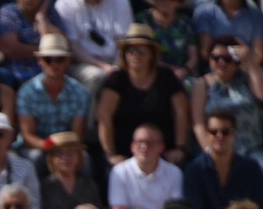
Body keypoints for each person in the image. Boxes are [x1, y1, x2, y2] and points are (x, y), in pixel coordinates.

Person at [96, 23, 186, 167]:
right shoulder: (117, 79)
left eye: (141, 50)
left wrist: (180, 148)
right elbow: (104, 116)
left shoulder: (167, 77)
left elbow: (181, 113)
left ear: (152, 53)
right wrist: (111, 154)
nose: (135, 55)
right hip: (124, 155)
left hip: (164, 154)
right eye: (130, 50)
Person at [181, 109, 263, 209]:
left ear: (235, 135)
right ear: (207, 135)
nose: (219, 136)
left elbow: (260, 207)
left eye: (225, 132)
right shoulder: (194, 170)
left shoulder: (251, 168)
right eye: (214, 132)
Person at [192, 34, 263, 172]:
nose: (221, 62)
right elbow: (198, 123)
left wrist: (251, 62)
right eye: (216, 58)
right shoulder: (203, 84)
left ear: (236, 61)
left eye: (227, 59)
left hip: (252, 149)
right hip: (217, 150)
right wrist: (209, 151)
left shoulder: (248, 78)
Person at [15, 32, 88, 158]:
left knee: (85, 159)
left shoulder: (80, 92)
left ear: (68, 61)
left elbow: (77, 135)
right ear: (40, 61)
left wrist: (63, 151)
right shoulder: (27, 92)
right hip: (38, 147)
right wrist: (49, 147)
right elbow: (28, 135)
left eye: (60, 59)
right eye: (48, 59)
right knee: (36, 157)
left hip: (68, 146)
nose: (54, 64)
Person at [39, 129, 105, 209]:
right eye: (60, 154)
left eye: (71, 153)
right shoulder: (45, 186)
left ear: (79, 157)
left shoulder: (89, 185)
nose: (66, 158)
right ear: (52, 158)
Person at [52, 0, 130, 96]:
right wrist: (103, 67)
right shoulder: (65, 4)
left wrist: (117, 67)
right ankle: (87, 106)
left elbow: (123, 41)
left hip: (116, 60)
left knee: (128, 72)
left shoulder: (120, 2)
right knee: (95, 76)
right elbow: (74, 48)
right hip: (82, 62)